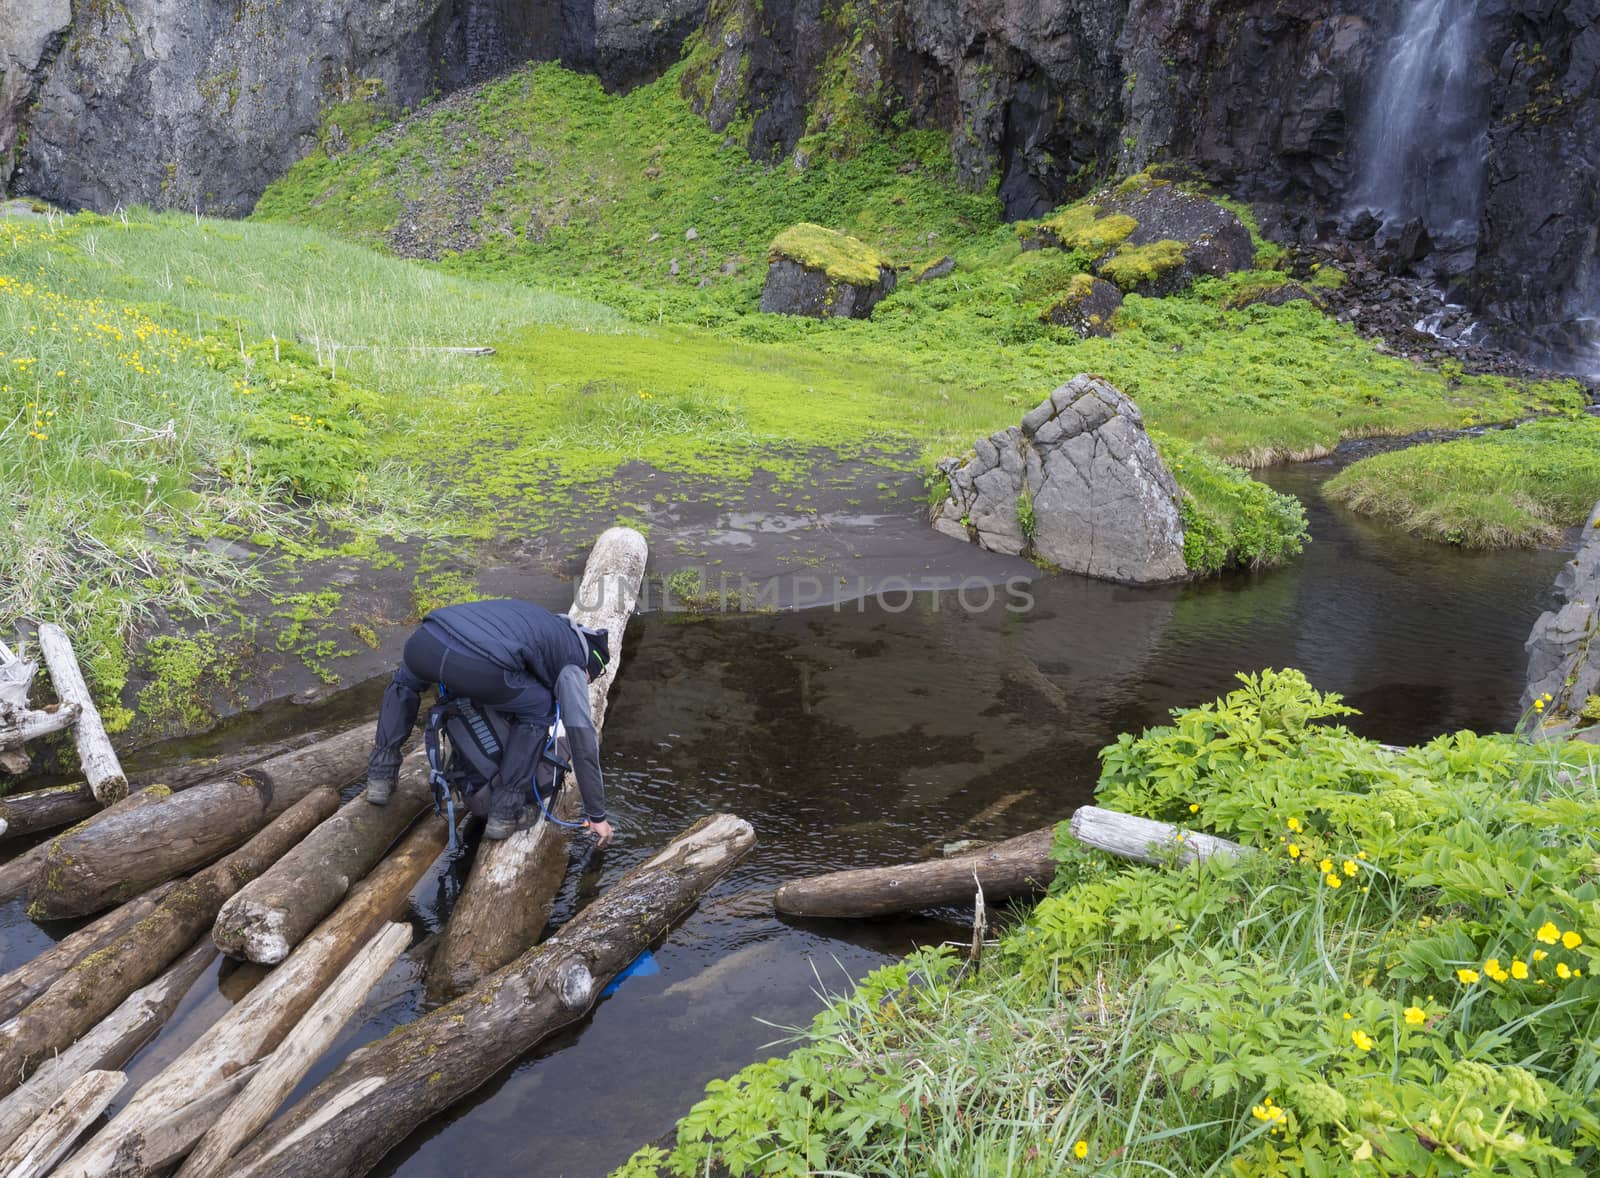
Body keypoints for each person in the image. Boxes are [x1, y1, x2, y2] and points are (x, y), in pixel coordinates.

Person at [366, 599, 614, 845]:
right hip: (475, 661)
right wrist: (597, 815)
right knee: (539, 706)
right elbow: (582, 740)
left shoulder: (539, 622)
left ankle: (380, 775)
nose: (587, 682)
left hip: (425, 640)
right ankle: (504, 812)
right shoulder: (574, 662)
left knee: (404, 683)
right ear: (589, 666)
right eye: (591, 677)